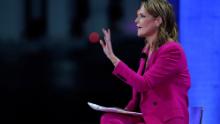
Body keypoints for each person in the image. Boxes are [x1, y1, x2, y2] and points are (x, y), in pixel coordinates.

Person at [99, 0, 191, 124]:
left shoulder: (173, 50)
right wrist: (124, 111)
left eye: (142, 16)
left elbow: (143, 84)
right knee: (109, 119)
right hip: (149, 117)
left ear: (158, 21)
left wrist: (113, 58)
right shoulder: (147, 49)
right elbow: (137, 93)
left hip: (166, 119)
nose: (136, 21)